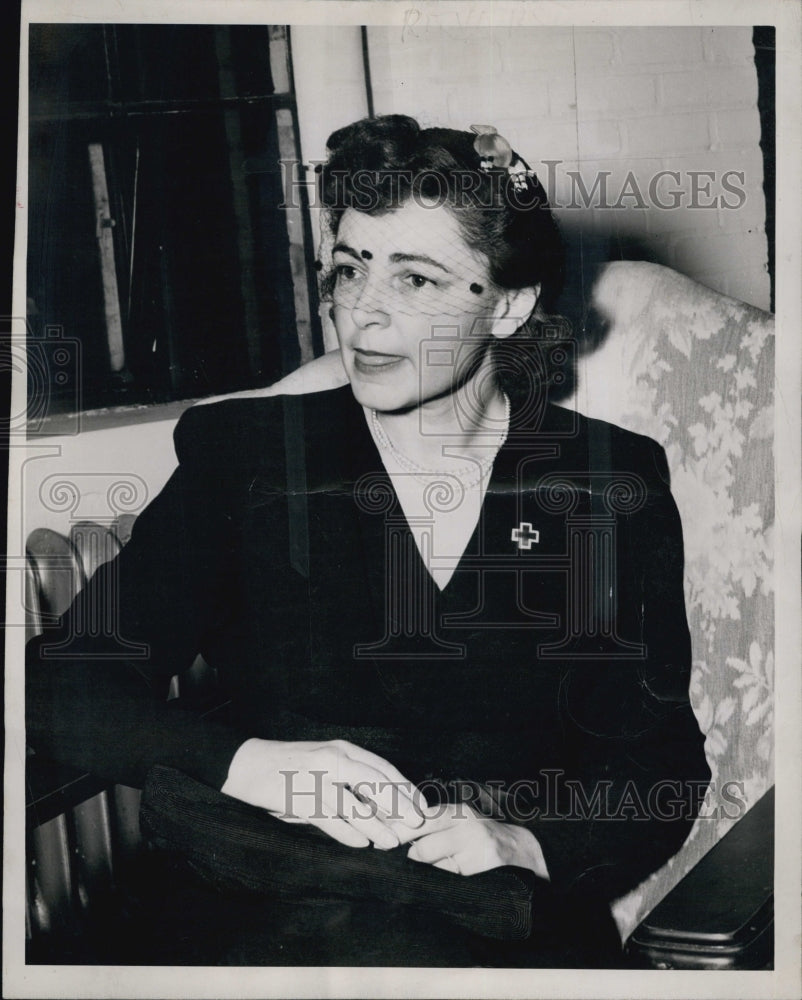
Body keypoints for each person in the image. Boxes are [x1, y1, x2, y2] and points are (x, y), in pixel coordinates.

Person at [26, 114, 710, 967]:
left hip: (483, 921)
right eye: (350, 271)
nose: (364, 316)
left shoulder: (609, 482)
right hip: (251, 909)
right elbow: (60, 685)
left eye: (417, 281)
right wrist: (248, 763)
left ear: (509, 305)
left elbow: (655, 763)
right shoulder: (249, 459)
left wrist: (529, 845)